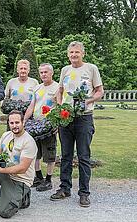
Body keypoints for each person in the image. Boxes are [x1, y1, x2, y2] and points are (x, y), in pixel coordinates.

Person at [50, 41, 104, 207]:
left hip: (84, 118)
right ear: (68, 55)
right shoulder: (65, 70)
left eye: (77, 52)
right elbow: (60, 92)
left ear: (83, 54)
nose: (74, 55)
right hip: (66, 118)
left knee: (83, 156)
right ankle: (65, 188)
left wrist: (88, 100)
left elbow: (100, 91)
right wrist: (59, 108)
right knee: (66, 155)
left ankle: (84, 193)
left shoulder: (91, 69)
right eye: (71, 52)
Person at [24, 63, 59, 191]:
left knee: (49, 153)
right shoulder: (37, 88)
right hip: (36, 126)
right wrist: (24, 120)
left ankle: (48, 180)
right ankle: (38, 177)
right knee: (35, 153)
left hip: (49, 126)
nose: (43, 74)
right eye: (41, 72)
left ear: (51, 73)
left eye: (46, 72)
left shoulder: (57, 88)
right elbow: (32, 106)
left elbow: (60, 107)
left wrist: (58, 124)